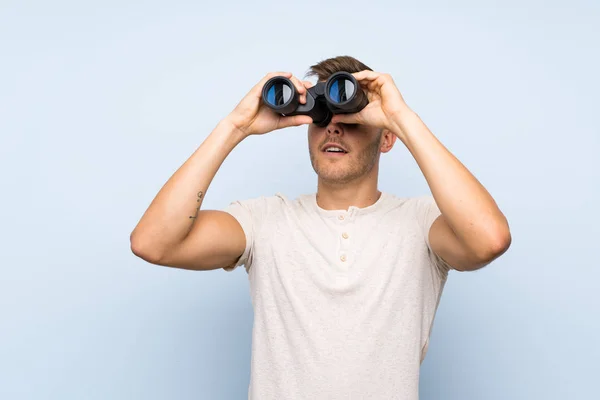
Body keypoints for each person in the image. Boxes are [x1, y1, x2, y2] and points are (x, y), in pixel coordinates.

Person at [130, 55, 511, 400]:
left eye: (353, 121)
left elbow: (489, 240)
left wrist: (403, 118)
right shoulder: (264, 221)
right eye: (322, 118)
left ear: (387, 137)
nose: (334, 129)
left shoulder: (422, 223)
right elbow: (153, 243)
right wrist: (235, 126)